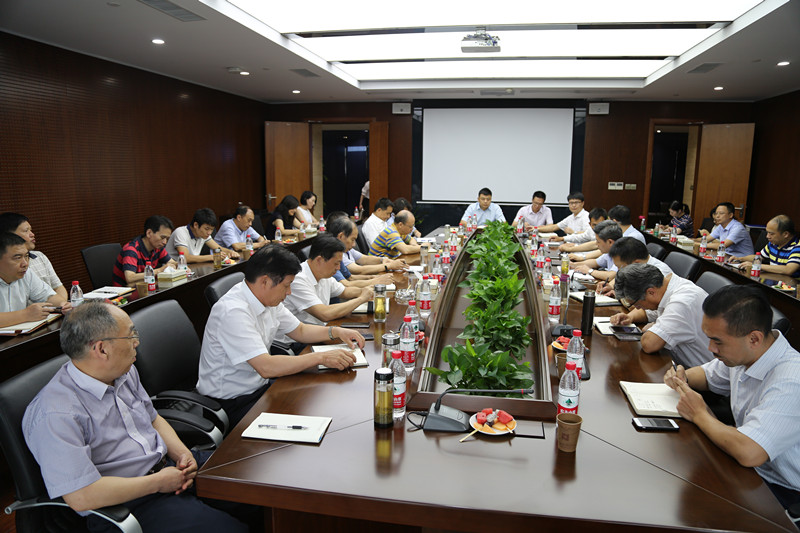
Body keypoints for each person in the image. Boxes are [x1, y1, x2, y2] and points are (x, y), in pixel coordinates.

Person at [22, 302, 249, 532]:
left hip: (168, 468)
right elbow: (81, 496)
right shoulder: (56, 413)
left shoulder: (123, 371)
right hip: (131, 501)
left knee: (256, 483)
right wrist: (157, 483)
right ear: (102, 349)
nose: (137, 342)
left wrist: (183, 454)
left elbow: (153, 419)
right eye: (131, 335)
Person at [663, 285, 800, 510]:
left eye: (718, 341)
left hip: (782, 489)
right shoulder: (746, 353)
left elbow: (750, 452)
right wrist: (682, 376)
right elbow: (707, 376)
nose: (711, 348)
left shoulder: (791, 380)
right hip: (751, 470)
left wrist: (699, 414)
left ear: (754, 338)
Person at [197, 244, 366, 427]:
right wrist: (322, 357)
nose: (289, 292)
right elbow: (266, 367)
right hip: (233, 404)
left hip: (261, 389)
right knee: (309, 421)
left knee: (320, 402)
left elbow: (300, 330)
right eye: (286, 285)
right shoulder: (233, 311)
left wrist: (335, 332)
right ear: (265, 281)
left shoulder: (266, 298)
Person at [611, 263, 712, 368]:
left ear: (651, 292)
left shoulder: (682, 302)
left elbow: (649, 344)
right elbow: (650, 312)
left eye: (637, 304)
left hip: (701, 373)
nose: (637, 308)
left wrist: (654, 326)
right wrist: (630, 317)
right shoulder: (665, 285)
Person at [283, 234, 374, 325]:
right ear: (319, 260)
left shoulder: (323, 273)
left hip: (320, 328)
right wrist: (361, 299)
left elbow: (344, 291)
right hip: (303, 333)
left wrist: (368, 291)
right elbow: (325, 314)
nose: (338, 268)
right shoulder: (297, 279)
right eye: (336, 263)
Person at [0, 232, 71, 328]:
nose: (25, 263)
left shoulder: (26, 274)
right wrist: (25, 315)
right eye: (18, 258)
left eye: (26, 256)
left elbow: (49, 297)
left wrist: (63, 305)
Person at [0, 212, 67, 300]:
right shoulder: (14, 271)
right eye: (26, 231)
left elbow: (57, 287)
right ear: (9, 236)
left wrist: (63, 304)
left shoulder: (38, 257)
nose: (32, 234)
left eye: (26, 256)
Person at [327, 216, 402, 287]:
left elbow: (351, 277)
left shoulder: (341, 250)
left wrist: (376, 275)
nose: (354, 245)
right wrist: (386, 268)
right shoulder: (331, 254)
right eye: (352, 239)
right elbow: (349, 281)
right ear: (341, 236)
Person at [111, 215, 178, 286]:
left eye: (167, 239)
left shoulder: (158, 247)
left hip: (146, 286)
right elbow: (130, 278)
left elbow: (172, 262)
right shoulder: (131, 250)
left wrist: (178, 265)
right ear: (149, 233)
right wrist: (160, 270)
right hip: (126, 290)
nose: (165, 242)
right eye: (162, 237)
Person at [597, 237, 673, 296]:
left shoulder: (659, 273)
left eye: (620, 267)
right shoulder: (637, 266)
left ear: (636, 263)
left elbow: (645, 305)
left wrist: (621, 297)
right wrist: (610, 286)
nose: (618, 270)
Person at [732, 215, 800, 277]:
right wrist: (739, 259)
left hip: (789, 284)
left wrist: (756, 266)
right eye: (767, 232)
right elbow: (758, 257)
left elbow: (788, 270)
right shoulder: (773, 244)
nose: (767, 236)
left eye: (771, 234)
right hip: (773, 280)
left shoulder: (797, 247)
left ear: (786, 234)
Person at [165, 208, 238, 264]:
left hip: (190, 268)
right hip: (172, 270)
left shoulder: (203, 235)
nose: (209, 233)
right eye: (207, 229)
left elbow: (218, 248)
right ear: (196, 225)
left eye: (212, 229)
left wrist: (230, 252)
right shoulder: (180, 232)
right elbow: (186, 257)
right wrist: (212, 257)